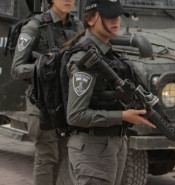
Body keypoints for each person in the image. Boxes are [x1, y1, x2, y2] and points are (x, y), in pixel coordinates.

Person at [63, 0, 156, 184]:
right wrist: (122, 116)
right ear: (90, 19)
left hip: (111, 144)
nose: (116, 20)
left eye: (118, 15)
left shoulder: (106, 53)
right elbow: (75, 115)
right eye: (109, 16)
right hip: (92, 148)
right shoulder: (85, 58)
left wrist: (119, 127)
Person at [10, 0, 84, 185]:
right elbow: (17, 69)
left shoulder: (77, 25)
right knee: (46, 157)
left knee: (63, 156)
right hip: (41, 104)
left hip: (65, 103)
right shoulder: (34, 27)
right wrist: (46, 66)